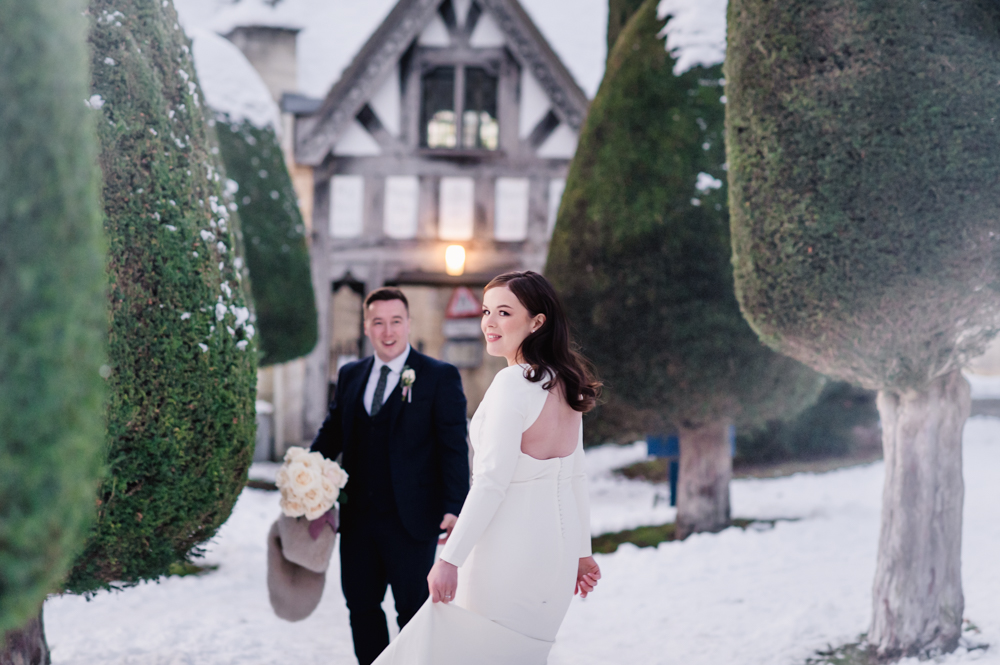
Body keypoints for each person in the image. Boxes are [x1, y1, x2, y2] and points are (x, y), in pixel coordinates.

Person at [373, 271, 602, 665]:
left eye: (504, 312)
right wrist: (582, 554)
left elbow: (491, 484)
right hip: (556, 560)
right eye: (486, 311)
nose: (489, 323)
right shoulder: (566, 384)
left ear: (537, 322)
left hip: (507, 557)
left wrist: (449, 560)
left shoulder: (514, 384)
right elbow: (575, 478)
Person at [310, 287, 470, 665]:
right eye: (378, 322)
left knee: (413, 612)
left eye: (396, 321)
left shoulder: (438, 376)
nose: (388, 331)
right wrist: (303, 473)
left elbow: (453, 447)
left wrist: (454, 506)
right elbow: (332, 433)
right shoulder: (350, 375)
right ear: (366, 327)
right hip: (357, 522)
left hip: (412, 520)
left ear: (408, 324)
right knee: (361, 606)